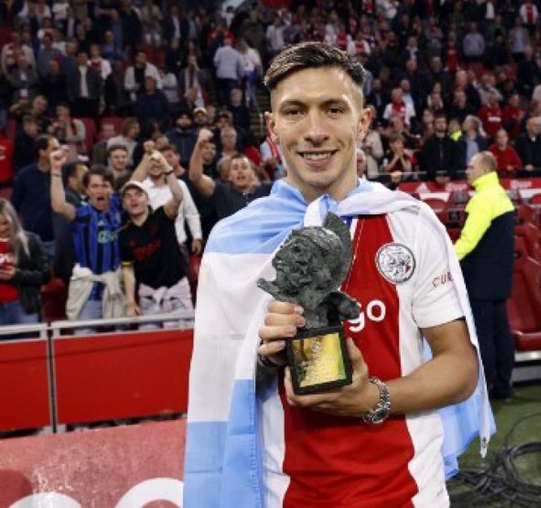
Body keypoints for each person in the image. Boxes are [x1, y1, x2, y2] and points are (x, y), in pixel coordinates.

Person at [183, 42, 492, 507]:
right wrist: (264, 359)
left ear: (363, 121)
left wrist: (373, 398)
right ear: (272, 127)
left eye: (333, 109)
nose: (314, 131)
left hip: (410, 495)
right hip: (285, 496)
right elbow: (214, 387)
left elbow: (460, 368)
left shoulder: (410, 223)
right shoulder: (234, 243)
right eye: (294, 112)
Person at [454, 151, 515, 399]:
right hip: (500, 278)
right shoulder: (501, 195)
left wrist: (448, 262)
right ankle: (503, 384)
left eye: (471, 166)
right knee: (501, 331)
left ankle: (485, 388)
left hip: (480, 279)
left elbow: (469, 240)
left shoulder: (482, 199)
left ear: (484, 170)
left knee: (484, 334)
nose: (467, 170)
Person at [50, 153, 125, 324]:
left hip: (115, 288)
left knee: (119, 341)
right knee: (86, 341)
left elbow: (137, 180)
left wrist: (149, 156)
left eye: (105, 186)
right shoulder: (82, 215)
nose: (100, 190)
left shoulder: (118, 206)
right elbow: (59, 205)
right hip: (88, 292)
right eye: (95, 186)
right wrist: (55, 171)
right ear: (86, 190)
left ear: (111, 189)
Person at [119, 156, 193, 328]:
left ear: (147, 199)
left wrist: (167, 168)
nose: (134, 199)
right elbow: (128, 269)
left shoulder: (162, 215)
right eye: (128, 196)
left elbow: (178, 196)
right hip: (148, 298)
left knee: (182, 346)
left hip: (176, 293)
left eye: (138, 194)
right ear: (123, 204)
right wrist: (130, 301)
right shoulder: (124, 235)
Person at [188, 129, 271, 221]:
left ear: (252, 173)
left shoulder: (267, 189)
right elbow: (195, 177)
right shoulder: (221, 191)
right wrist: (199, 145)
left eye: (244, 167)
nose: (240, 171)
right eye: (235, 168)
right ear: (229, 176)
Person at [0, 199, 48, 328]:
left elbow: (45, 276)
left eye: (5, 223)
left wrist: (17, 275)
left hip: (23, 306)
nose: (2, 228)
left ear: (13, 220)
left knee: (29, 346)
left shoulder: (31, 241)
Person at [11, 135, 59, 260]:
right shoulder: (24, 175)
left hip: (58, 238)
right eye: (54, 149)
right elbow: (13, 206)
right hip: (32, 239)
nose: (58, 152)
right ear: (42, 152)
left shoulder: (63, 174)